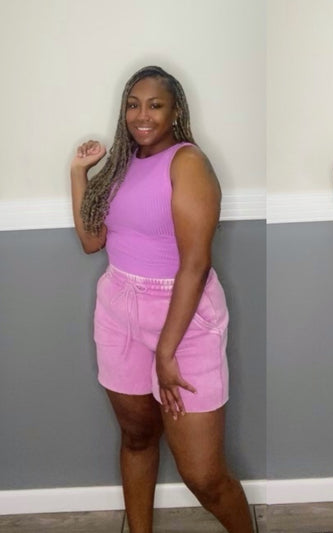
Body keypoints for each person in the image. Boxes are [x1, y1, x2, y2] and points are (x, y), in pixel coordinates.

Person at [70, 65, 253, 533]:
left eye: (155, 105)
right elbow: (92, 242)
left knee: (204, 476)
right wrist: (78, 173)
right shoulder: (120, 165)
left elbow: (196, 265)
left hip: (183, 320)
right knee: (136, 438)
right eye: (133, 105)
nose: (142, 115)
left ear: (175, 112)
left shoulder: (187, 163)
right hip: (117, 311)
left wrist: (166, 351)